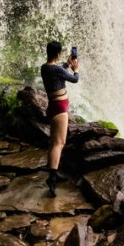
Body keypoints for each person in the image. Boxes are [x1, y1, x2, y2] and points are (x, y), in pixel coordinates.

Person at [40, 40, 79, 196]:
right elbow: (75, 80)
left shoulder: (45, 67)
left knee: (53, 143)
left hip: (52, 107)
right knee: (59, 143)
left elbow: (58, 70)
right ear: (58, 53)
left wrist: (67, 64)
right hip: (59, 108)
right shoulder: (56, 70)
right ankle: (52, 180)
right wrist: (76, 69)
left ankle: (52, 173)